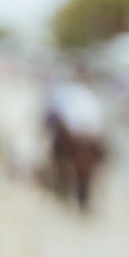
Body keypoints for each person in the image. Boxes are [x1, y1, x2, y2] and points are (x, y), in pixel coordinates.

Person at [44, 67, 109, 213]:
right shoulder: (73, 93)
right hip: (79, 135)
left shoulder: (73, 93)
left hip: (83, 135)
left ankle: (77, 197)